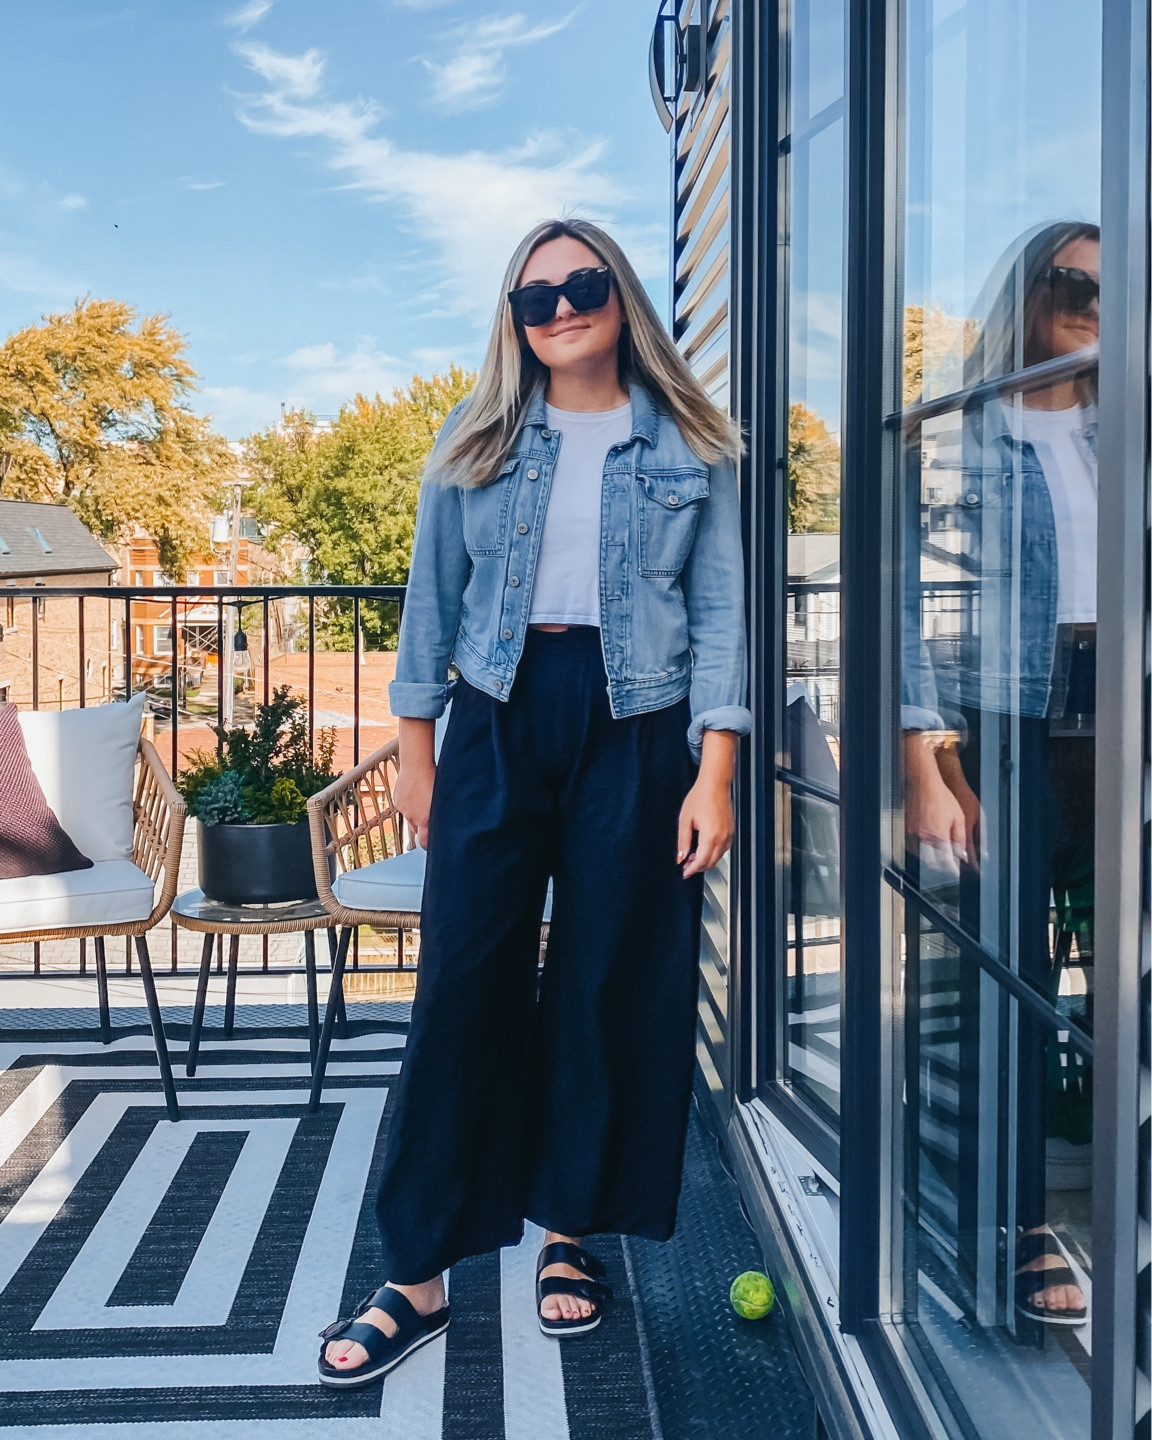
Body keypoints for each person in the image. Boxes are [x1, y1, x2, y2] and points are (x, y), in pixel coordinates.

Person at [317, 217, 752, 1387]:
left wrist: (714, 771)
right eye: (534, 297)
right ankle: (418, 1274)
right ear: (513, 321)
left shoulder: (696, 446)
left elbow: (723, 620)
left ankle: (571, 1234)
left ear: (622, 294)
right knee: (464, 985)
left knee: (609, 980)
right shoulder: (476, 439)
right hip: (499, 717)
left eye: (582, 283)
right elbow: (429, 603)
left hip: (643, 724)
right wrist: (415, 752)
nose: (560, 307)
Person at [903, 220, 1098, 1327]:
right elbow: (907, 608)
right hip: (1006, 725)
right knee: (1008, 983)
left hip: (1121, 714)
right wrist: (931, 761)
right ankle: (1016, 1224)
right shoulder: (959, 435)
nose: (1091, 304)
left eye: (1116, 290)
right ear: (1025, 292)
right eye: (1071, 280)